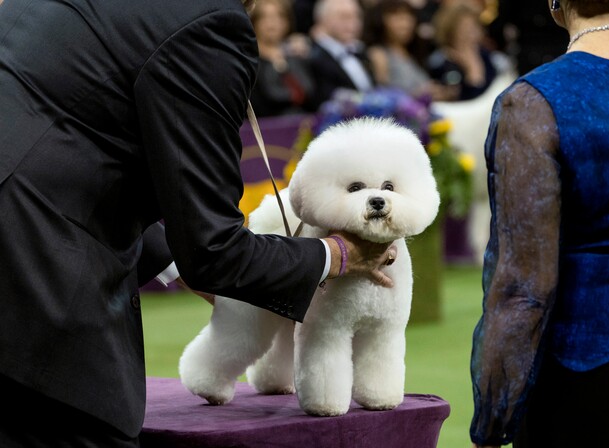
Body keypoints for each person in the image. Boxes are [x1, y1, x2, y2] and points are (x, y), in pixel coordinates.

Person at [0, 0, 397, 446]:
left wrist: (179, 258)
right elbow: (214, 250)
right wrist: (336, 255)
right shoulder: (208, 23)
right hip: (32, 291)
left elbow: (68, 147)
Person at [470, 0, 609, 447]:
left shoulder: (534, 101)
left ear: (556, 3)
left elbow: (523, 288)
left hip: (595, 381)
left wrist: (493, 418)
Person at [363, 0, 453, 99]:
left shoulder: (412, 53)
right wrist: (418, 95)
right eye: (398, 17)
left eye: (409, 17)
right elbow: (381, 97)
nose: (405, 24)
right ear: (380, 20)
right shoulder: (378, 54)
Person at [248, 0, 317, 117]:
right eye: (264, 17)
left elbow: (311, 96)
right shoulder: (249, 61)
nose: (272, 23)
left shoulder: (299, 56)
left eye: (279, 16)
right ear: (254, 22)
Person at [306, 0, 375, 108]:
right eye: (344, 17)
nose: (352, 23)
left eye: (357, 16)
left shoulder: (361, 51)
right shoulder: (313, 56)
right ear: (322, 20)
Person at [426, 1, 499, 101]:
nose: (470, 35)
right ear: (450, 31)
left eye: (473, 27)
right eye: (464, 29)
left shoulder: (487, 56)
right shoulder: (440, 61)